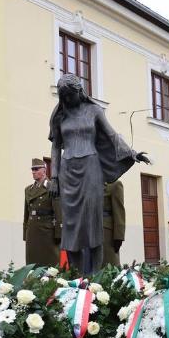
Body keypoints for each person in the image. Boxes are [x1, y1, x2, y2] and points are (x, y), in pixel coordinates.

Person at [48, 74, 150, 275]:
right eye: (64, 97)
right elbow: (55, 147)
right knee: (71, 225)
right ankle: (76, 276)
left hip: (91, 170)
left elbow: (112, 135)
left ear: (80, 92)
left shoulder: (94, 111)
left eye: (71, 95)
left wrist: (132, 153)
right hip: (67, 173)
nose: (68, 100)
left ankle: (95, 276)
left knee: (93, 223)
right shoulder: (60, 116)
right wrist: (53, 178)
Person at [23, 158, 61, 267]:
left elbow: (58, 212)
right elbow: (26, 213)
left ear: (44, 170)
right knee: (32, 264)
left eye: (36, 169)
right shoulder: (28, 190)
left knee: (50, 264)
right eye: (32, 169)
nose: (33, 172)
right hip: (32, 230)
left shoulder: (52, 187)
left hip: (47, 231)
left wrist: (59, 233)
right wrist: (25, 233)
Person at [102, 181, 125, 267]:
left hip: (106, 234)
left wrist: (119, 237)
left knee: (108, 267)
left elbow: (119, 211)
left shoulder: (114, 184)